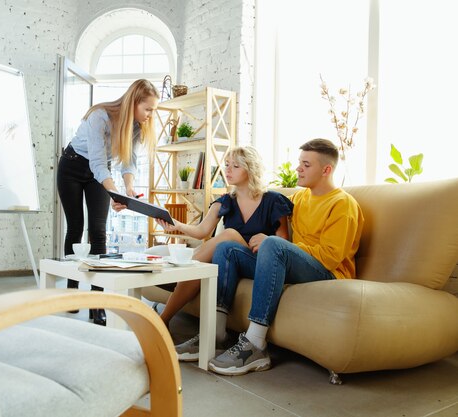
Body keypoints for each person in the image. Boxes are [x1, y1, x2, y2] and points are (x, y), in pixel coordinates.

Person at [206, 138, 364, 375]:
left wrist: (275, 244)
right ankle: (215, 332)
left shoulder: (342, 204)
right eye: (299, 162)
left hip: (328, 273)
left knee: (273, 244)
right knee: (227, 249)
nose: (298, 168)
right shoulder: (300, 199)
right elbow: (279, 231)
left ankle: (256, 344)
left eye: (306, 164)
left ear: (326, 170)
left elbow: (330, 257)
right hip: (296, 265)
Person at [155, 146, 293, 354]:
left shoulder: (273, 200)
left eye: (235, 166)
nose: (228, 170)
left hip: (261, 263)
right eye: (227, 165)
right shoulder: (225, 201)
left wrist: (266, 240)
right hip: (231, 259)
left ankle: (179, 268)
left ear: (251, 169)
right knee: (204, 264)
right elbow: (202, 231)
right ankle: (162, 320)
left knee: (228, 235)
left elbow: (283, 240)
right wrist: (177, 224)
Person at [57, 79, 159, 326]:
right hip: (72, 166)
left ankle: (96, 303)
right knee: (76, 227)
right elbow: (98, 164)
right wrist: (115, 193)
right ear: (134, 103)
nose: (150, 115)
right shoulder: (99, 117)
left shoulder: (135, 126)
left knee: (99, 231)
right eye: (148, 109)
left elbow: (127, 162)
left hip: (98, 173)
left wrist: (129, 189)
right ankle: (72, 291)